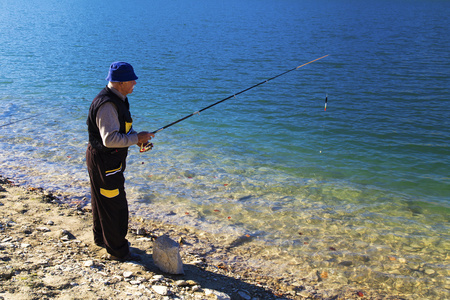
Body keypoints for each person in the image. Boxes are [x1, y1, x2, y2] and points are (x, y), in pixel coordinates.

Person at [86, 62, 154, 261]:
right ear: (120, 82)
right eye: (131, 80)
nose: (135, 82)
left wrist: (136, 141)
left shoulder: (119, 99)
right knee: (115, 206)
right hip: (105, 163)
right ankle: (118, 251)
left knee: (102, 202)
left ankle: (101, 239)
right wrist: (136, 138)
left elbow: (121, 131)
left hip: (103, 160)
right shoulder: (107, 104)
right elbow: (109, 139)